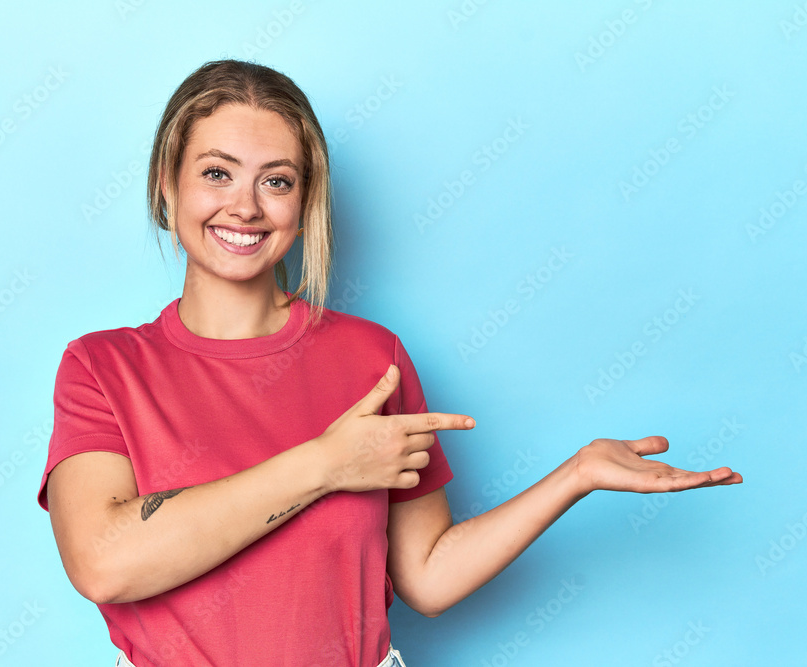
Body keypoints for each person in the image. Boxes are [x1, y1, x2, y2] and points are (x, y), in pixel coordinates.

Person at [38, 59, 742, 667]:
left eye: (277, 181)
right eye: (217, 172)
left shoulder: (370, 358)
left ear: (305, 200)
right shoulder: (104, 367)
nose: (245, 207)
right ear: (168, 183)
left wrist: (576, 474)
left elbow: (427, 575)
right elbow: (104, 561)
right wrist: (328, 463)